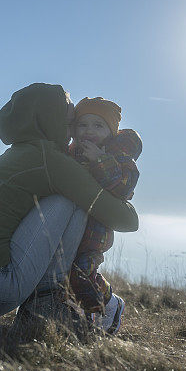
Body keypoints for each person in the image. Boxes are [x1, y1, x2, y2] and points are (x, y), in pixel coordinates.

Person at [0, 83, 138, 332]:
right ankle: (45, 302)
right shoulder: (52, 163)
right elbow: (128, 221)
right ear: (49, 121)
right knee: (70, 198)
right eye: (69, 125)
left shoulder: (17, 155)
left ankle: (45, 301)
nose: (74, 134)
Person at [67, 97, 142, 334]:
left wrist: (99, 159)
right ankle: (85, 316)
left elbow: (123, 188)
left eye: (98, 126)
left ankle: (109, 305)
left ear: (111, 132)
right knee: (64, 276)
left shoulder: (119, 158)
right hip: (67, 227)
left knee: (82, 274)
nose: (89, 131)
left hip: (94, 233)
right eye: (83, 125)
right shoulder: (70, 152)